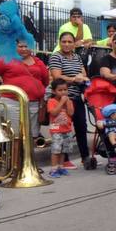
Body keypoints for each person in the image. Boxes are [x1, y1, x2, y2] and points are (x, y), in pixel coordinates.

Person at [0, 38, 49, 146]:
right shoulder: (6, 59)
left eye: (27, 46)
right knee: (16, 137)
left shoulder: (38, 62)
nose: (24, 49)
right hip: (12, 103)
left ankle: (28, 162)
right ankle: (16, 162)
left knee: (32, 136)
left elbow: (46, 81)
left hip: (34, 104)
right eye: (20, 46)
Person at [47, 31, 91, 169]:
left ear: (74, 43)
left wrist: (82, 77)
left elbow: (83, 73)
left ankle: (85, 158)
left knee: (81, 127)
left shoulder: (77, 57)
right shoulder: (56, 57)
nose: (67, 44)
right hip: (62, 99)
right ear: (60, 43)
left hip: (76, 97)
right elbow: (57, 77)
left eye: (70, 42)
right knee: (63, 129)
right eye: (64, 41)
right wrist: (74, 79)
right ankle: (64, 161)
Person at [46, 79, 74, 177]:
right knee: (56, 150)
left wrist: (67, 103)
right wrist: (62, 103)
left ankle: (61, 167)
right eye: (60, 90)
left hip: (67, 129)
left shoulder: (69, 101)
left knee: (64, 150)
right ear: (54, 91)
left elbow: (71, 113)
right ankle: (53, 169)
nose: (63, 92)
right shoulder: (51, 101)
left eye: (65, 90)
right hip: (56, 129)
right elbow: (53, 113)